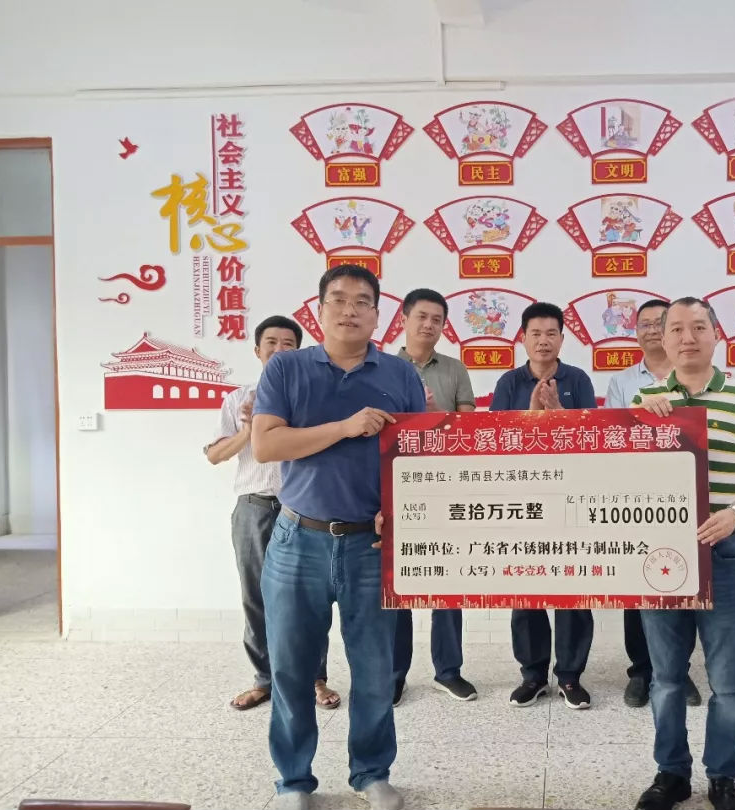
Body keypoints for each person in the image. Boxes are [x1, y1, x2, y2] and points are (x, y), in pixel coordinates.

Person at [251, 265, 425, 810]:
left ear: (377, 313)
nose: (350, 310)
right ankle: (293, 781)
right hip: (296, 540)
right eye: (339, 299)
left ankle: (371, 773)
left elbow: (419, 457)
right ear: (319, 309)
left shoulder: (400, 375)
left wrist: (399, 510)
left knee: (374, 670)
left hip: (371, 546)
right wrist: (346, 427)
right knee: (291, 669)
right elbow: (266, 445)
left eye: (362, 301)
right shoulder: (286, 368)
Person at [632, 297, 735, 810]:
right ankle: (671, 773)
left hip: (724, 550)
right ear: (662, 338)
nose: (687, 337)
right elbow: (620, 477)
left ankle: (722, 776)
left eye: (698, 327)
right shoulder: (646, 398)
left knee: (727, 680)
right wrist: (639, 421)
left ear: (717, 335)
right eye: (676, 328)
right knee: (667, 678)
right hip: (661, 554)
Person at [204, 316, 340, 713]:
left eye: (288, 344)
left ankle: (315, 679)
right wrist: (249, 431)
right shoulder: (238, 399)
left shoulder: (311, 397)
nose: (279, 350)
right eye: (271, 343)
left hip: (304, 510)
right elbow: (215, 455)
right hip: (254, 508)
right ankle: (264, 680)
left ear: (298, 351)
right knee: (256, 597)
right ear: (257, 350)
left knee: (311, 599)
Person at [490, 301, 598, 710]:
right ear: (523, 338)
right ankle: (533, 675)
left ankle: (570, 676)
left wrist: (560, 413)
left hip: (571, 497)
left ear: (562, 339)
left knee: (573, 589)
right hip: (522, 497)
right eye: (535, 333)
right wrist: (533, 414)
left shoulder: (578, 379)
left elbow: (593, 437)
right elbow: (493, 439)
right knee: (526, 586)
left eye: (551, 333)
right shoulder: (508, 382)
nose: (543, 340)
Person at [604, 298, 703, 710]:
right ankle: (641, 671)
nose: (651, 330)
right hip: (637, 497)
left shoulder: (694, 376)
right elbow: (610, 434)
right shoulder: (623, 382)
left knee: (684, 588)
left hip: (687, 500)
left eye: (659, 323)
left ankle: (679, 671)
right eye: (643, 324)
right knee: (638, 591)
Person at [393, 287, 478, 706]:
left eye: (437, 320)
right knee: (396, 584)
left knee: (447, 579)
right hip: (394, 485)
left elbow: (469, 429)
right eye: (421, 317)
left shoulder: (455, 369)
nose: (429, 325)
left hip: (446, 485)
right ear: (404, 319)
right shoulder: (383, 368)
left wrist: (433, 418)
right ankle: (394, 673)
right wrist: (415, 419)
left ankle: (448, 671)